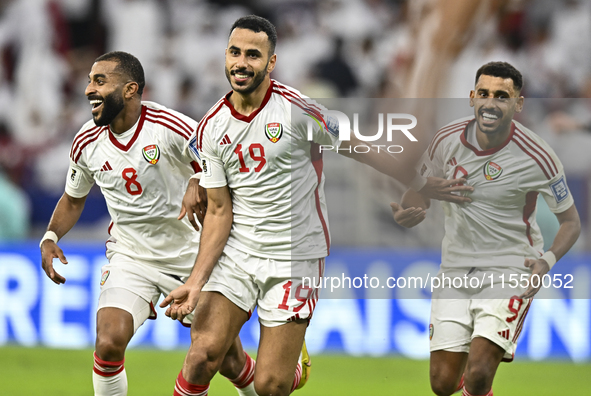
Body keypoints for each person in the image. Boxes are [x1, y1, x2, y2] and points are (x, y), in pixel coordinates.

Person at [161, 15, 475, 396]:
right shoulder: (211, 127)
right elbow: (218, 211)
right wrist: (195, 281)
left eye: (253, 55)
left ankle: (294, 367)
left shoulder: (299, 110)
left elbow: (359, 146)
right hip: (238, 253)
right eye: (234, 52)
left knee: (271, 386)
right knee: (201, 357)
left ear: (271, 63)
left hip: (295, 256)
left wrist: (419, 182)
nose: (241, 63)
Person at [39, 51, 257, 396]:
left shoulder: (169, 127)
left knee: (223, 360)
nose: (87, 90)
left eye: (99, 81)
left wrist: (198, 179)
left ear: (129, 89)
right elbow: (73, 198)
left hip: (192, 255)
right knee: (108, 341)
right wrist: (51, 235)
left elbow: (222, 161)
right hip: (132, 257)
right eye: (89, 81)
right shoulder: (86, 142)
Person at [391, 61, 581, 396]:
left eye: (501, 96)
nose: (490, 102)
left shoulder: (538, 157)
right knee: (442, 383)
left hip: (510, 268)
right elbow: (419, 192)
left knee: (479, 374)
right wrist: (411, 208)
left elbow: (571, 222)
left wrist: (547, 261)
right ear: (471, 97)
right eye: (484, 93)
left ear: (518, 103)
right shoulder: (445, 141)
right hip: (455, 268)